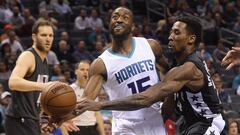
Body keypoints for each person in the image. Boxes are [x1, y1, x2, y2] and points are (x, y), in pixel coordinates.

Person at [76, 16, 226, 135]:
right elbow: (170, 100)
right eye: (171, 32)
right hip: (191, 123)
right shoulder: (179, 65)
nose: (170, 37)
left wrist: (100, 105)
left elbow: (146, 98)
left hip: (208, 122)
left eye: (176, 33)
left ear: (191, 39)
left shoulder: (188, 68)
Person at [55, 7, 169, 135]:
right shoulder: (101, 64)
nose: (119, 20)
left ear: (132, 26)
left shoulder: (151, 46)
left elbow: (167, 72)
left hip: (154, 121)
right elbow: (86, 101)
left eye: (125, 17)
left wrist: (168, 98)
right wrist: (57, 118)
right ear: (109, 24)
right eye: (115, 17)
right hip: (125, 126)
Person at [5, 20, 55, 135]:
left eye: (50, 35)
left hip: (32, 119)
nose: (48, 39)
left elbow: (38, 97)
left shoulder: (45, 62)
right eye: (43, 35)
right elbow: (13, 82)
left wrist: (46, 120)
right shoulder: (28, 56)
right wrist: (43, 86)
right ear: (34, 37)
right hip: (19, 119)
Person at [62, 60, 105, 135]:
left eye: (87, 70)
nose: (85, 72)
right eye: (82, 69)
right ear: (76, 71)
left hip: (93, 128)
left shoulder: (94, 90)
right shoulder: (68, 90)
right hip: (76, 128)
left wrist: (103, 133)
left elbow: (97, 114)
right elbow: (62, 115)